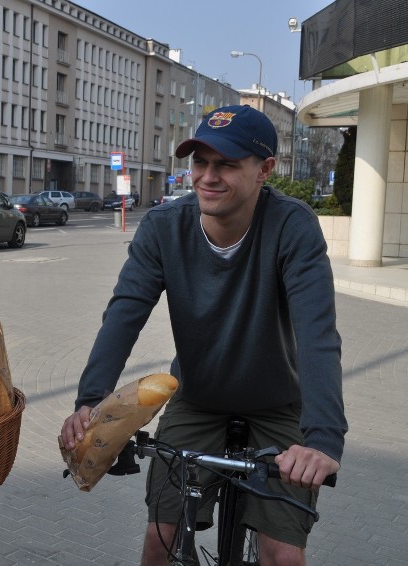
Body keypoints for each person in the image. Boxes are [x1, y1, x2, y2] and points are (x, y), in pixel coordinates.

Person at [60, 105, 347, 566]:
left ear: (264, 170)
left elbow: (318, 333)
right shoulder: (164, 228)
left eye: (227, 164)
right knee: (161, 540)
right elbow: (124, 313)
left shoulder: (292, 226)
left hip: (278, 404)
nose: (208, 177)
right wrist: (89, 400)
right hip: (199, 399)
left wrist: (322, 439)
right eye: (200, 162)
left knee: (282, 555)